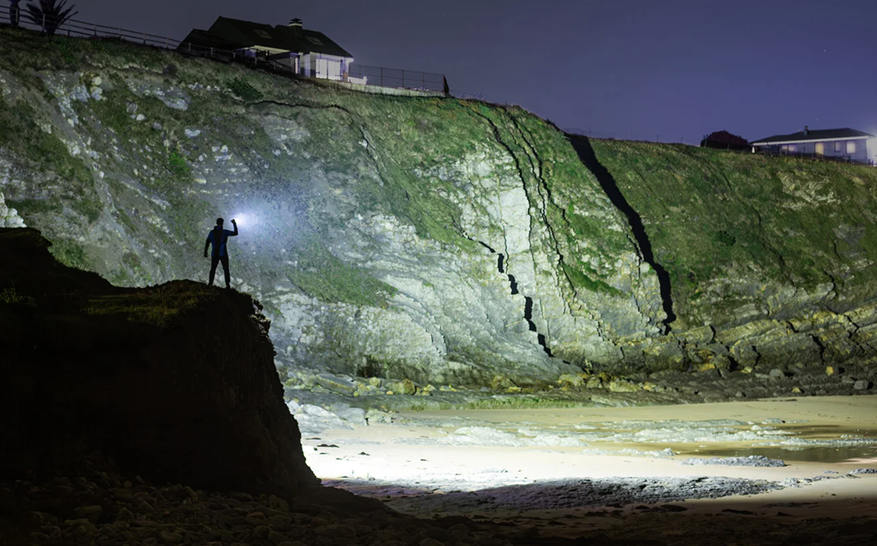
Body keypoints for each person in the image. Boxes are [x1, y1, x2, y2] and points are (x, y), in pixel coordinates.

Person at [204, 217, 238, 288]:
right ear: (222, 223)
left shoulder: (212, 233)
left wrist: (205, 252)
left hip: (214, 254)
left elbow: (207, 242)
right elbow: (235, 233)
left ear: (216, 223)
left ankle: (210, 283)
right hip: (223, 253)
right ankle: (227, 285)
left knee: (213, 269)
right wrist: (234, 224)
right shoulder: (225, 232)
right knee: (226, 269)